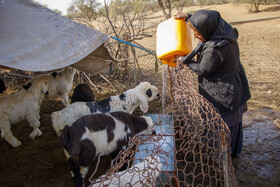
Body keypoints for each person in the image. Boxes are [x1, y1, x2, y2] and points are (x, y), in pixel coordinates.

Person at [174, 10, 251, 157]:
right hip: (235, 83)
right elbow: (208, 21)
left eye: (198, 32)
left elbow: (202, 69)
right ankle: (232, 152)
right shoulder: (226, 32)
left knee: (220, 126)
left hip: (224, 92)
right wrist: (189, 17)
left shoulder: (215, 49)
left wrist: (184, 59)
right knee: (232, 124)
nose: (195, 35)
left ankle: (220, 156)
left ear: (207, 30)